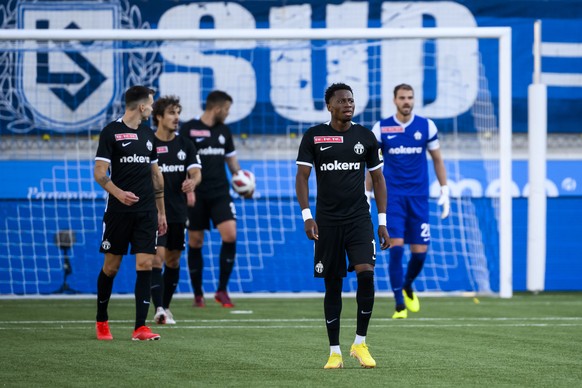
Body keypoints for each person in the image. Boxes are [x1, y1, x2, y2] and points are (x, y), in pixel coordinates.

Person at [295, 83, 390, 369]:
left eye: (351, 100)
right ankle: (334, 351)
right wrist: (307, 216)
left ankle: (360, 343)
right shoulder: (314, 136)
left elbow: (378, 179)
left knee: (366, 274)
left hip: (359, 218)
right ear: (330, 106)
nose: (348, 104)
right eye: (342, 100)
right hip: (327, 222)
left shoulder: (366, 137)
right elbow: (302, 178)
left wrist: (382, 221)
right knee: (332, 285)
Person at [367, 83, 450, 319]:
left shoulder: (426, 126)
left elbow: (437, 160)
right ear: (394, 100)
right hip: (392, 199)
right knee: (395, 250)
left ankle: (407, 284)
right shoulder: (382, 128)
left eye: (410, 97)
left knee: (420, 252)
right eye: (402, 97)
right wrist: (367, 193)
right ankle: (399, 305)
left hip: (419, 199)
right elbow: (373, 165)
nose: (406, 101)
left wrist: (445, 189)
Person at [93, 85, 168, 341]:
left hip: (147, 211)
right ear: (141, 106)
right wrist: (119, 193)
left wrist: (161, 212)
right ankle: (102, 319)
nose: (153, 107)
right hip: (118, 212)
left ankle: (140, 328)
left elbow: (156, 177)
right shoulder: (111, 132)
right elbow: (100, 173)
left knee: (145, 263)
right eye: (152, 102)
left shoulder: (149, 135)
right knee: (111, 267)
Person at [181, 90, 252, 308]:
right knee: (196, 241)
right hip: (196, 194)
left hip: (220, 192)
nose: (228, 114)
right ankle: (198, 294)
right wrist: (188, 189)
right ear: (218, 108)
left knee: (230, 235)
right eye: (227, 109)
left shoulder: (224, 131)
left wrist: (243, 183)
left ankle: (221, 290)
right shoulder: (188, 129)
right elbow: (181, 161)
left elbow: (232, 163)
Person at [150, 96, 202, 325]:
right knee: (156, 259)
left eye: (178, 112)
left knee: (172, 260)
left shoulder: (185, 145)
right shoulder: (149, 143)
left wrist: (193, 182)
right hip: (153, 212)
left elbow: (196, 172)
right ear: (159, 116)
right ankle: (159, 308)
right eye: (171, 113)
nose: (176, 117)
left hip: (178, 211)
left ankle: (166, 307)